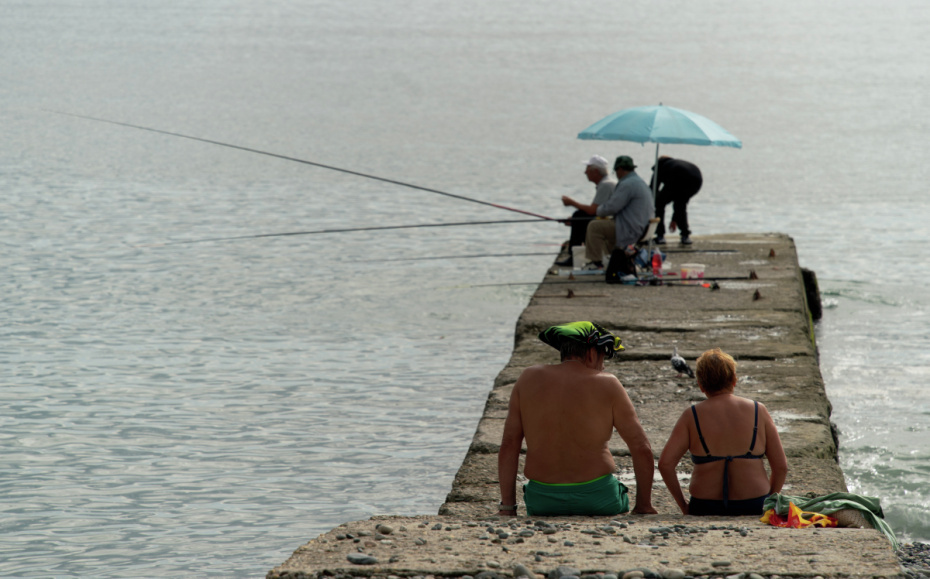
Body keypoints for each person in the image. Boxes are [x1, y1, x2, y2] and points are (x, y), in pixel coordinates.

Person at [498, 321, 656, 517]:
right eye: (603, 356)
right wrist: (643, 506)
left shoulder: (528, 378)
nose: (603, 365)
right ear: (591, 352)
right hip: (599, 498)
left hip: (542, 500)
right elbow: (642, 447)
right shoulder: (608, 383)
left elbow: (509, 444)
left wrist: (508, 508)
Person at [658, 348, 788, 516]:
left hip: (705, 505)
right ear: (734, 380)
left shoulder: (692, 415)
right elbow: (781, 467)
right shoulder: (758, 410)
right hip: (755, 503)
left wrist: (684, 506)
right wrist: (769, 502)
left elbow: (665, 464)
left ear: (701, 385)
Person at [582, 155, 654, 271]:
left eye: (615, 171)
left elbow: (612, 207)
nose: (616, 174)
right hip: (642, 226)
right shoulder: (639, 182)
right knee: (606, 226)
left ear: (620, 169)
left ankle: (595, 263)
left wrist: (597, 211)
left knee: (594, 226)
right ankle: (614, 258)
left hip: (631, 228)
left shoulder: (627, 184)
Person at [556, 155, 617, 267]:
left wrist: (571, 203)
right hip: (610, 220)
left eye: (587, 169)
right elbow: (596, 211)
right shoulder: (606, 183)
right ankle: (578, 255)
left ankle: (574, 257)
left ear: (596, 171)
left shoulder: (605, 185)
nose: (585, 172)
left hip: (612, 223)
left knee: (579, 215)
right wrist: (574, 221)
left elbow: (592, 211)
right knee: (578, 217)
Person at [649, 156, 703, 245]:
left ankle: (660, 236)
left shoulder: (660, 166)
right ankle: (685, 236)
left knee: (659, 203)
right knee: (680, 204)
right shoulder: (673, 164)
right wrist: (674, 219)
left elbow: (653, 189)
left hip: (678, 176)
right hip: (696, 180)